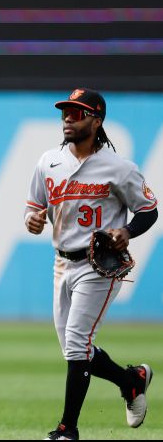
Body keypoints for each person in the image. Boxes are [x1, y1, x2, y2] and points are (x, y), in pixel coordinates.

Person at [25, 88, 158, 440]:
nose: (69, 118)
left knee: (77, 344)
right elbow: (33, 207)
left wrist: (127, 231)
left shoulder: (119, 167)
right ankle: (132, 382)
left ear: (96, 121)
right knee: (74, 347)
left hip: (99, 265)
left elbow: (148, 210)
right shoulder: (48, 161)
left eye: (78, 113)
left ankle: (68, 429)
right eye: (66, 112)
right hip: (61, 263)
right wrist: (32, 220)